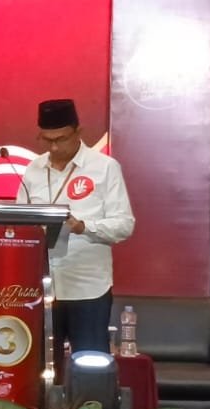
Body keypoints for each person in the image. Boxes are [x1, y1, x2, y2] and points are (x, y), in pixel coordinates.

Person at [19, 98, 135, 363]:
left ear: (78, 132)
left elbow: (124, 224)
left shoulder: (104, 168)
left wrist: (83, 227)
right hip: (40, 288)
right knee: (38, 367)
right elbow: (20, 222)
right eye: (47, 140)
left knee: (90, 366)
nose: (54, 147)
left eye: (61, 139)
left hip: (87, 287)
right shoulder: (33, 170)